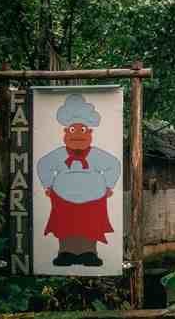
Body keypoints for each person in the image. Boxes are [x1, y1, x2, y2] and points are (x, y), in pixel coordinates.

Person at [37, 94, 121, 267]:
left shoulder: (97, 155)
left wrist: (108, 186)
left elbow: (114, 165)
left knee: (89, 227)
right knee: (65, 227)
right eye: (72, 130)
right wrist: (48, 185)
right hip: (63, 199)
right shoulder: (59, 154)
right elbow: (43, 165)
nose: (77, 135)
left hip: (93, 199)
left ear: (89, 133)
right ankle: (65, 252)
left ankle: (89, 253)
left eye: (82, 130)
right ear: (66, 132)